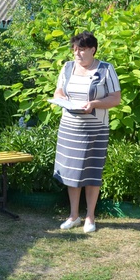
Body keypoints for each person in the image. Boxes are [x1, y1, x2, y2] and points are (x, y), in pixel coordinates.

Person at [53, 31, 121, 233]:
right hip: (70, 128)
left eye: (81, 50)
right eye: (74, 50)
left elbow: (115, 99)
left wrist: (94, 104)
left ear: (93, 50)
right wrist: (62, 99)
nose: (77, 54)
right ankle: (74, 215)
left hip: (95, 129)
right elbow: (59, 91)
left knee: (91, 171)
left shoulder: (106, 69)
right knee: (72, 172)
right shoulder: (67, 68)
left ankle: (90, 216)